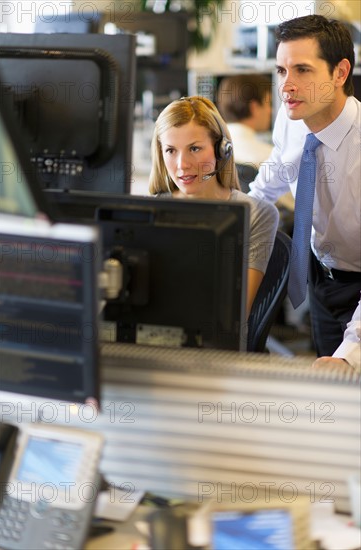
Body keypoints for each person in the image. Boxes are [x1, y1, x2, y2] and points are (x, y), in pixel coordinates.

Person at [248, 15, 361, 358]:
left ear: (340, 73)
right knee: (330, 391)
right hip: (320, 278)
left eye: (302, 70)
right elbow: (265, 190)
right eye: (282, 71)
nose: (286, 87)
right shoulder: (291, 117)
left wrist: (351, 351)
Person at [148, 95, 279, 317]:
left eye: (195, 149)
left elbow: (234, 312)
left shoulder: (257, 214)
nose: (182, 165)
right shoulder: (149, 210)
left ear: (222, 150)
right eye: (171, 150)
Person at [216, 73, 273, 170]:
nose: (271, 111)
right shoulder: (269, 157)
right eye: (269, 104)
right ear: (254, 108)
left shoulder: (208, 152)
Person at [312, 298, 361, 372]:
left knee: (343, 370)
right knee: (325, 369)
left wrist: (348, 357)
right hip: (320, 292)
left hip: (352, 299)